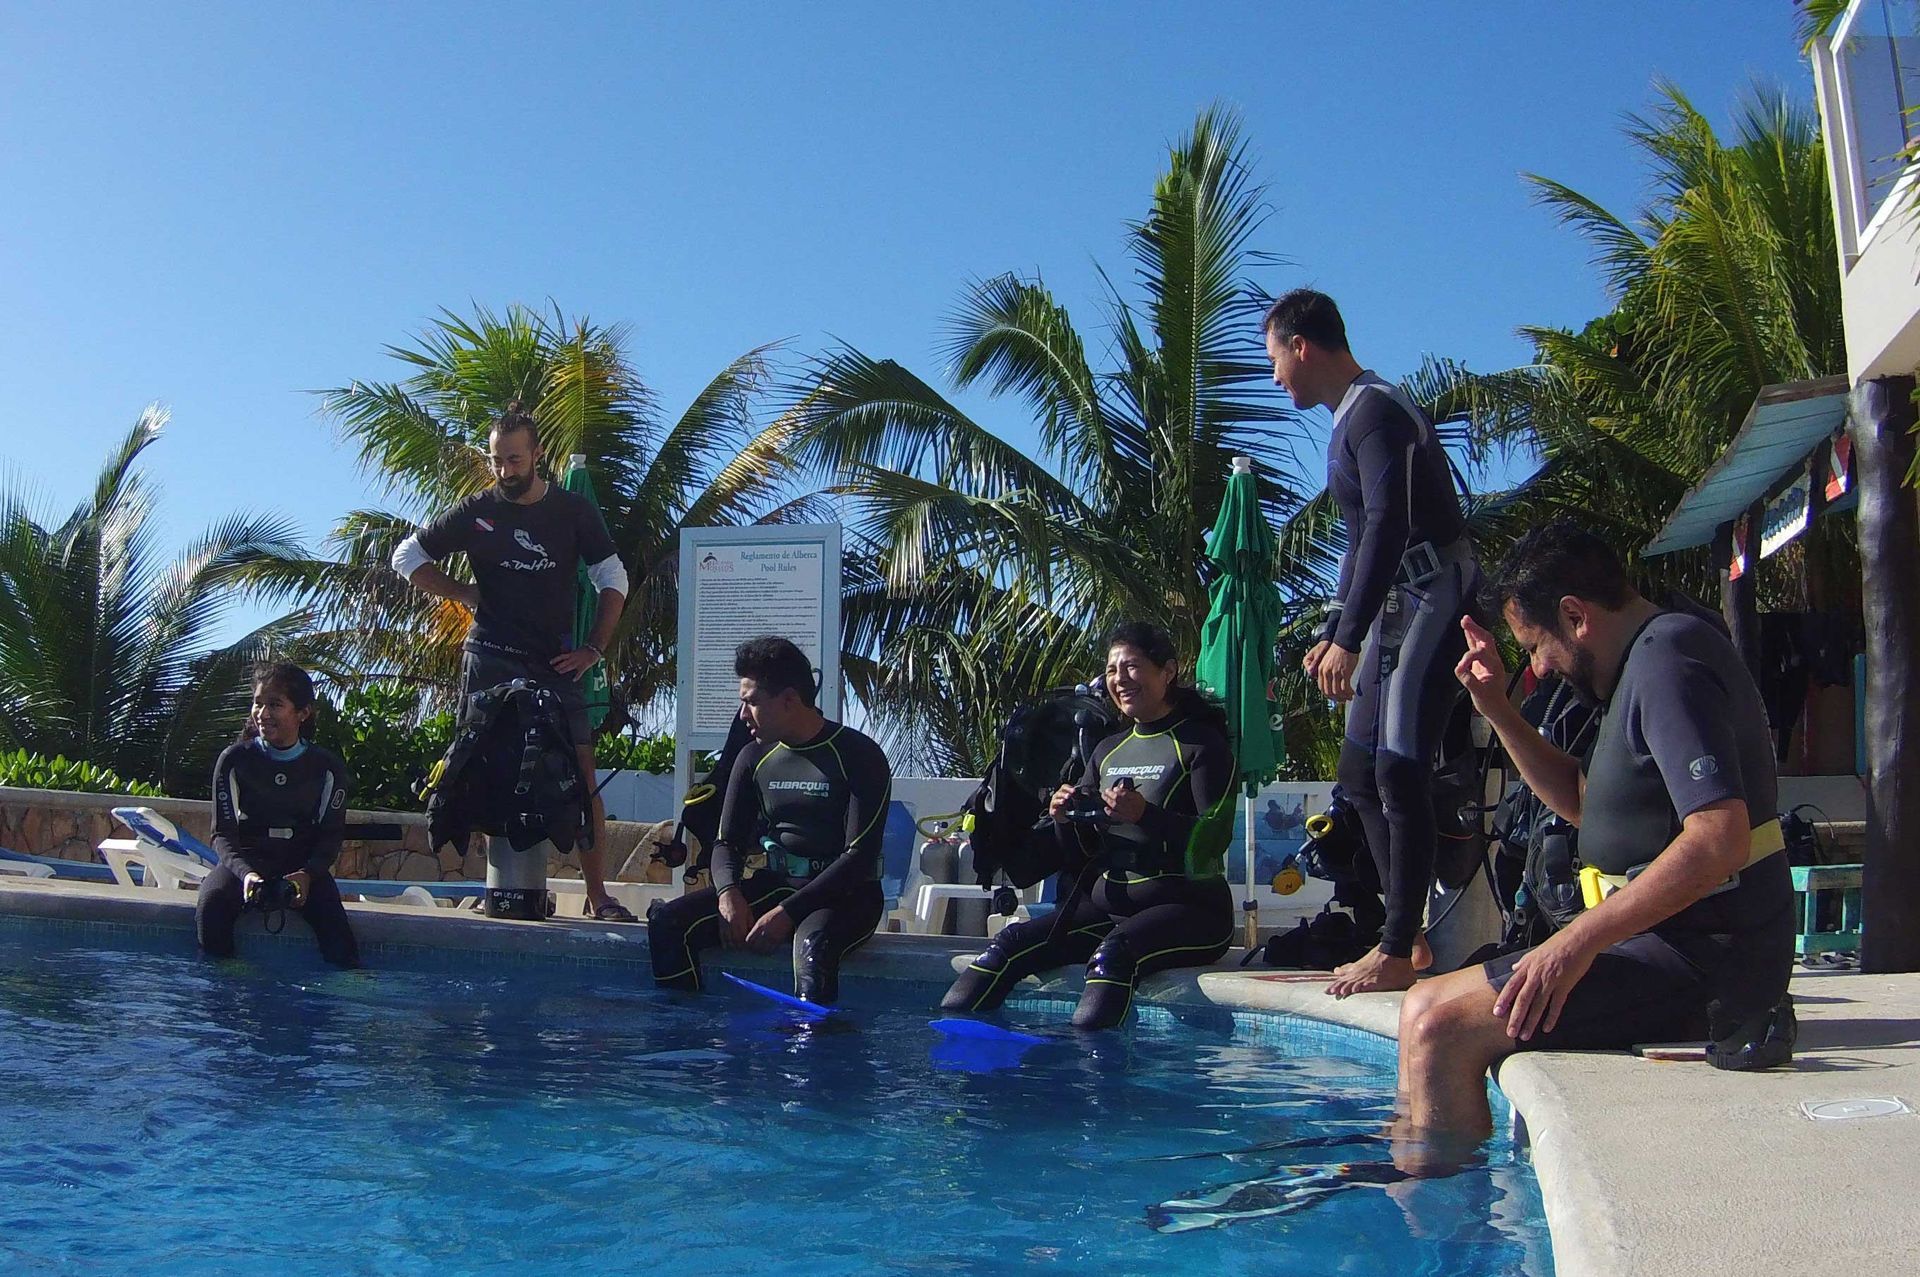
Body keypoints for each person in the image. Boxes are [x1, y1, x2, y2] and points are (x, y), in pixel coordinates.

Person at [1394, 523, 1795, 1160]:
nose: (1538, 668)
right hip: (1664, 945)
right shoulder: (1639, 663)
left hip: (1707, 960)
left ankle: (1441, 1228)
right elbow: (1585, 803)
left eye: (1534, 646)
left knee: (1440, 1028)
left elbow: (1719, 838)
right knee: (1418, 1007)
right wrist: (1496, 705)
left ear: (1575, 616)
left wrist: (1573, 942)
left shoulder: (1669, 659)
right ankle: (1419, 1183)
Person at [1263, 289, 1479, 997]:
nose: (1275, 378)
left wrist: (1351, 637)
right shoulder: (1346, 422)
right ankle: (1404, 937)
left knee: (1398, 768)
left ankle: (1393, 950)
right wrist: (1333, 628)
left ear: (1302, 344)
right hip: (1396, 606)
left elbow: (1390, 522)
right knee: (1358, 775)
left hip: (1435, 592)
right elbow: (1359, 543)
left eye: (1274, 360)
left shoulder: (1377, 408)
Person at [391, 401, 634, 920]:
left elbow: (613, 577)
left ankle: (599, 895)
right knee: (483, 773)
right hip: (489, 661)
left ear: (537, 455)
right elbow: (407, 557)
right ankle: (494, 887)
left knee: (582, 776)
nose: (505, 471)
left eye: (515, 460)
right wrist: (464, 593)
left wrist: (593, 649)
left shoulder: (572, 510)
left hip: (555, 663)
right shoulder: (479, 510)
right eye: (498, 460)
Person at [941, 622, 1236, 1029]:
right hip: (1108, 908)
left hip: (1191, 909)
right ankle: (957, 1072)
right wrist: (1063, 818)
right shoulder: (1107, 749)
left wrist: (1144, 815)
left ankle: (1091, 1084)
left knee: (1112, 957)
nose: (1120, 679)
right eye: (1113, 670)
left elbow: (1215, 842)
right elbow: (1080, 852)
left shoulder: (1201, 745)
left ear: (1167, 672)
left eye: (1132, 667)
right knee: (1007, 946)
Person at [647, 636, 892, 1004]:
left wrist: (788, 912)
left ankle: (815, 1053)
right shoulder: (753, 757)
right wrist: (728, 893)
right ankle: (687, 1035)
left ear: (790, 700)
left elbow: (859, 857)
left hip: (846, 897)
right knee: (667, 923)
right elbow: (726, 842)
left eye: (751, 703)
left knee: (813, 946)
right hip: (775, 886)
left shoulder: (858, 755)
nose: (743, 715)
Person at [196, 663, 360, 967]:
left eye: (275, 705)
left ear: (302, 713)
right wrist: (246, 874)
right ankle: (229, 983)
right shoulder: (234, 760)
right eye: (258, 703)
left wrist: (308, 875)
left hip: (301, 867)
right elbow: (222, 834)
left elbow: (330, 836)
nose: (263, 713)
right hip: (248, 861)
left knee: (339, 937)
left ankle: (342, 995)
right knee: (211, 904)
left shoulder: (327, 767)